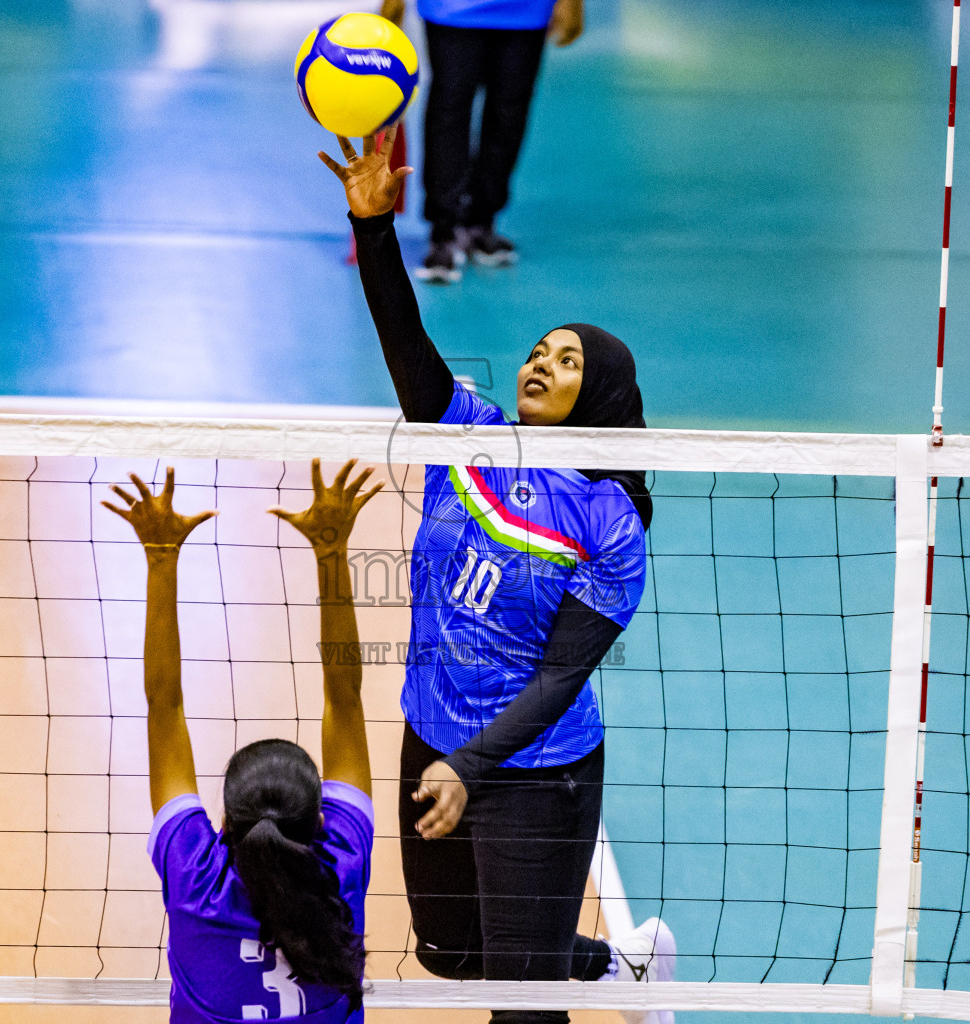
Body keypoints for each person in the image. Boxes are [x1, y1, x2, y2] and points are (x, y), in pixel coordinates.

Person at [318, 126, 676, 1024]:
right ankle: (616, 968)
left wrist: (474, 768)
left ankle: (568, 977)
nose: (539, 365)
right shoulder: (470, 435)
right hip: (430, 730)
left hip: (535, 768)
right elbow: (408, 348)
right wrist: (373, 227)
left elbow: (562, 676)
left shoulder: (609, 515)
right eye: (537, 350)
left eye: (567, 360)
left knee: (520, 1006)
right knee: (450, 955)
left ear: (602, 397)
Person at [104, 461, 383, 1024]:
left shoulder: (194, 877)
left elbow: (164, 706)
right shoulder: (342, 864)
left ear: (225, 825)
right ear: (322, 824)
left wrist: (161, 559)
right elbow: (346, 700)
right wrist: (331, 555)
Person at [377, 0, 583, 282]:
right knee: (449, 108)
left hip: (526, 10)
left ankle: (482, 220)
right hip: (451, 9)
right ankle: (443, 229)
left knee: (510, 110)